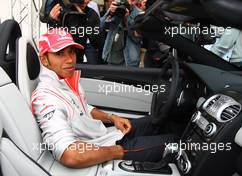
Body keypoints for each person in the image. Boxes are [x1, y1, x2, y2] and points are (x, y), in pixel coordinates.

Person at [31, 28, 177, 168]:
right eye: (60, 53)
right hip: (106, 146)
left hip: (108, 134)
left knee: (158, 121)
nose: (70, 59)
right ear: (44, 60)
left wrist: (112, 118)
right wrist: (116, 151)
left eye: (71, 52)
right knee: (177, 142)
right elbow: (70, 154)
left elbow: (83, 108)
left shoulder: (65, 80)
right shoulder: (45, 97)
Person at [100, 0, 143, 66]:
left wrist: (126, 19)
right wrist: (110, 13)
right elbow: (100, 27)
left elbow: (137, 38)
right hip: (111, 57)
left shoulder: (139, 14)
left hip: (129, 61)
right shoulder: (115, 10)